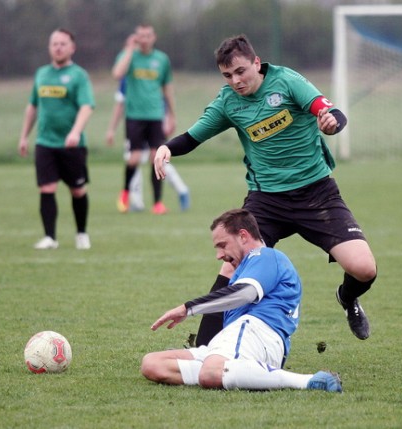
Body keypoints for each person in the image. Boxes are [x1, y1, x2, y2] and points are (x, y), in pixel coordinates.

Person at [154, 34, 377, 345]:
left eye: (241, 71)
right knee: (232, 266)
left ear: (257, 63)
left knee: (364, 268)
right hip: (266, 201)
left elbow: (331, 112)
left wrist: (330, 124)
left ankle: (347, 297)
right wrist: (166, 148)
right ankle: (204, 347)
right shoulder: (228, 103)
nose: (235, 81)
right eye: (227, 75)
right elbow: (193, 137)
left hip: (317, 194)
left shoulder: (287, 82)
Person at [141, 208, 342, 392]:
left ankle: (308, 381)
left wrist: (188, 308)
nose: (219, 255)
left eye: (222, 245)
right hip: (235, 340)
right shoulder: (246, 268)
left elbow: (244, 293)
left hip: (257, 332)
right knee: (152, 364)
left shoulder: (265, 255)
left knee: (210, 373)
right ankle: (242, 374)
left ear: (243, 236)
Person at [18, 28, 94, 250]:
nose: (58, 47)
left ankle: (81, 234)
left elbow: (87, 106)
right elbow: (32, 106)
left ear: (72, 47)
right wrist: (24, 136)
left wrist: (75, 131)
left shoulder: (79, 75)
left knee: (77, 190)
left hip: (72, 145)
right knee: (47, 188)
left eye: (63, 43)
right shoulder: (41, 74)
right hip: (45, 143)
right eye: (54, 43)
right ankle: (50, 237)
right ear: (49, 47)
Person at [111, 24, 176, 215]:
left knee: (157, 158)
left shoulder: (162, 59)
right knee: (134, 158)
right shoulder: (129, 56)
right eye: (141, 36)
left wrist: (172, 114)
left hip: (156, 115)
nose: (144, 39)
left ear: (153, 37)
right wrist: (130, 49)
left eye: (148, 36)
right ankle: (125, 192)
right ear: (136, 37)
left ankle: (157, 203)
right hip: (134, 116)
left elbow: (167, 88)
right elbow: (117, 74)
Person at [105, 79, 190, 212]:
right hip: (134, 121)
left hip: (156, 120)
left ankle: (179, 191)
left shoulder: (157, 67)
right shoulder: (129, 73)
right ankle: (135, 201)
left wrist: (169, 118)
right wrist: (112, 129)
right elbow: (120, 102)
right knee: (134, 158)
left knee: (158, 157)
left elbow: (167, 94)